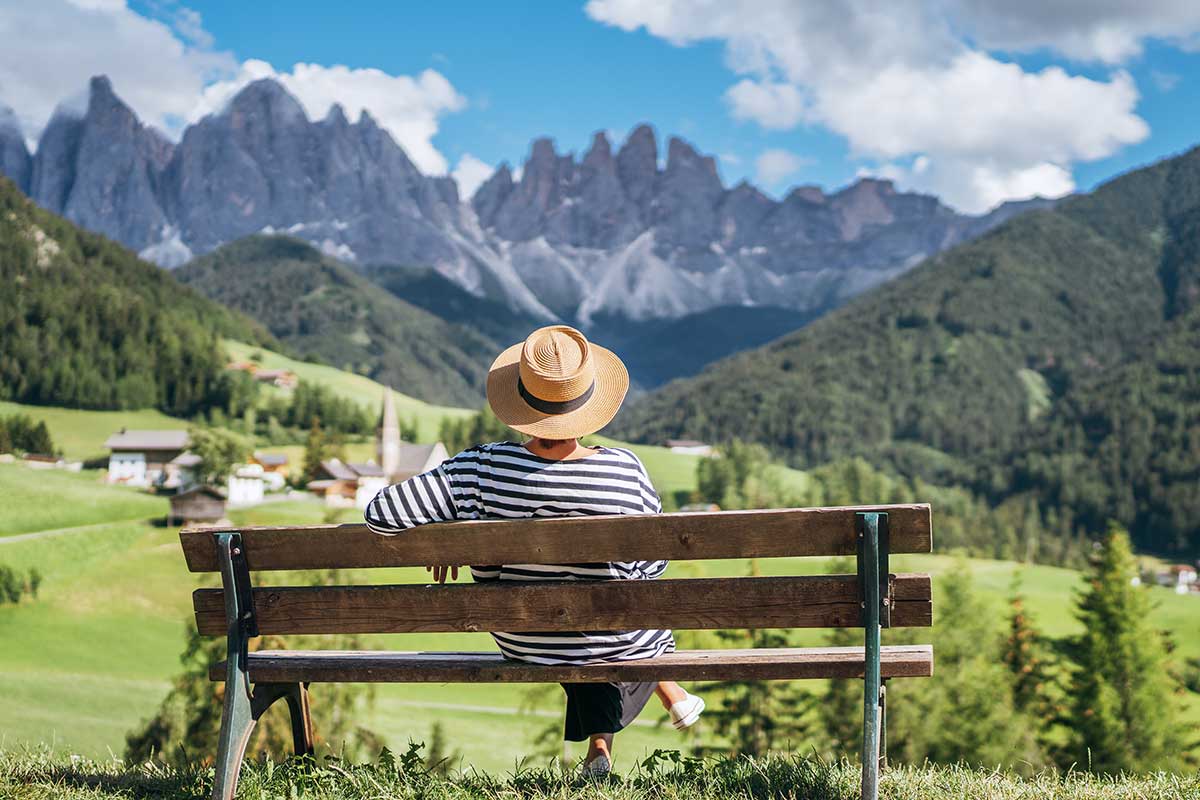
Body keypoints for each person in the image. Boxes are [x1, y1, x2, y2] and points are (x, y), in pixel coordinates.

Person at [364, 324, 704, 776]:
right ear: (587, 404)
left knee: (580, 625)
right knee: (621, 613)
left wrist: (448, 531)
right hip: (613, 636)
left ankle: (610, 743)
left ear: (522, 404)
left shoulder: (480, 467)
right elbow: (652, 563)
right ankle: (649, 706)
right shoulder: (624, 470)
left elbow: (381, 513)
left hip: (525, 639)